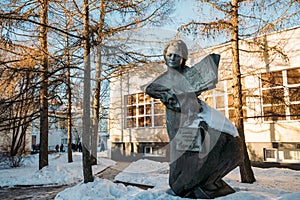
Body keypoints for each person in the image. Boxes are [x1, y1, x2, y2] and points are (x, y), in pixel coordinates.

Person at [145, 40, 241, 199]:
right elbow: (151, 89)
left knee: (206, 149)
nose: (173, 58)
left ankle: (207, 182)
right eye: (169, 55)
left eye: (177, 55)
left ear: (183, 58)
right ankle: (187, 183)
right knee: (182, 157)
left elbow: (202, 80)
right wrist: (169, 95)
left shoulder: (190, 73)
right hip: (176, 120)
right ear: (164, 56)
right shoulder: (163, 78)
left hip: (193, 118)